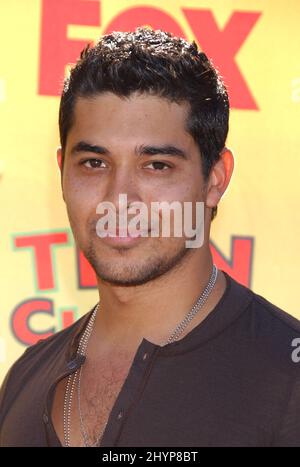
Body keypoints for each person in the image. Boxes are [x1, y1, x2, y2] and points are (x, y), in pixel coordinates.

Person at [0, 27, 299, 447]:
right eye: (93, 163)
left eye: (156, 165)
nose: (119, 200)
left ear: (215, 179)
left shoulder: (287, 378)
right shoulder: (23, 379)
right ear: (62, 172)